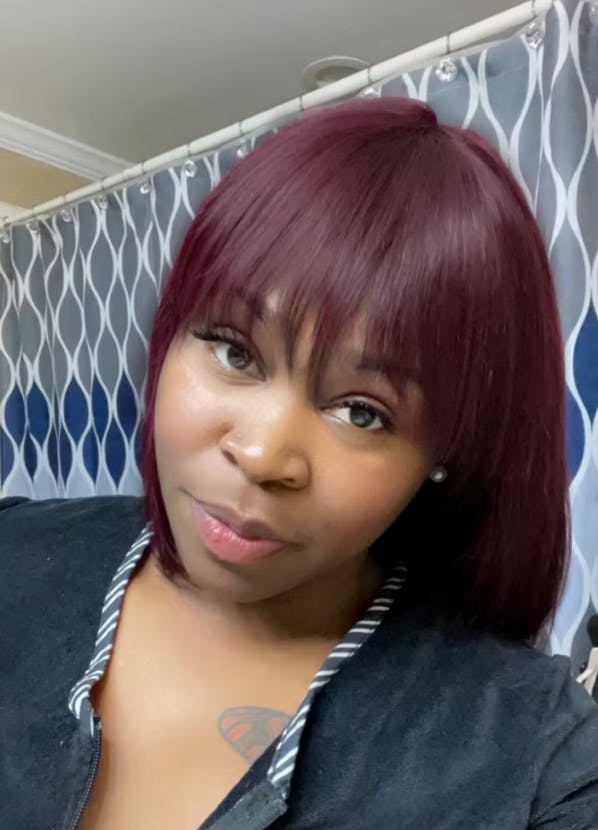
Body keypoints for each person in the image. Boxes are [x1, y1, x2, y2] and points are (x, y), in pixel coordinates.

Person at [1, 97, 597, 830]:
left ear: (444, 454)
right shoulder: (14, 551)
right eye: (234, 351)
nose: (261, 456)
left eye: (363, 411)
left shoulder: (536, 757)